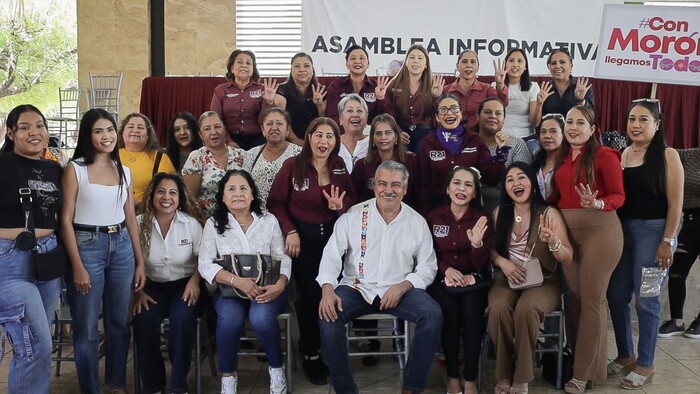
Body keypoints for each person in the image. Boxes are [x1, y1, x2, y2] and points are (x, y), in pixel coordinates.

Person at [317, 160, 443, 394]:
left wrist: (405, 285)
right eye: (382, 183)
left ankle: (412, 388)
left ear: (405, 189)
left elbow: (428, 267)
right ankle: (346, 390)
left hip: (400, 289)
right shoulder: (353, 215)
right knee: (328, 316)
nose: (388, 190)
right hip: (357, 287)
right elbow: (331, 255)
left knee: (432, 314)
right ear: (374, 187)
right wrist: (327, 289)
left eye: (396, 185)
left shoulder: (417, 222)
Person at [60, 108, 146, 394]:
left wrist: (139, 262)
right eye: (99, 131)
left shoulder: (125, 170)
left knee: (119, 322)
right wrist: (77, 266)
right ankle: (91, 388)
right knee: (86, 326)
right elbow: (65, 219)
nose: (106, 136)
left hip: (121, 245)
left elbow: (130, 218)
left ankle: (116, 384)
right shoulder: (76, 169)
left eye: (109, 130)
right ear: (88, 134)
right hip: (87, 246)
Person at [267, 117, 356, 385]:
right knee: (310, 297)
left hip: (332, 238)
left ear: (335, 142)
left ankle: (326, 348)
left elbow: (351, 199)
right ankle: (311, 354)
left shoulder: (339, 166)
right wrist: (290, 231)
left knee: (332, 295)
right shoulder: (292, 166)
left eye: (330, 136)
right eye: (319, 135)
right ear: (308, 138)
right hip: (302, 240)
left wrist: (340, 205)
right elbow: (275, 203)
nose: (324, 141)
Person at [607, 99, 683, 389]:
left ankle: (646, 362)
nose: (635, 125)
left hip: (654, 234)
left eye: (643, 119)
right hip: (622, 233)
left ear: (657, 124)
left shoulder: (667, 155)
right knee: (616, 296)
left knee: (647, 300)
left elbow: (676, 204)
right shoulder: (623, 153)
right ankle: (626, 354)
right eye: (631, 119)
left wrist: (667, 241)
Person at [551, 106, 625, 394]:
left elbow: (619, 195)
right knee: (575, 298)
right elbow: (556, 195)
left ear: (593, 128)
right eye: (569, 121)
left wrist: (598, 204)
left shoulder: (606, 155)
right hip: (568, 232)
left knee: (593, 300)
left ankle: (582, 372)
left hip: (601, 230)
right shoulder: (560, 156)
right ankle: (588, 364)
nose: (573, 127)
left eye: (580, 122)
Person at [198, 169, 291, 394]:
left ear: (252, 194)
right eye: (231, 189)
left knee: (260, 318)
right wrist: (238, 281)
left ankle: (277, 371)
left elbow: (282, 256)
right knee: (228, 320)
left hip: (269, 288)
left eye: (243, 188)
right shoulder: (214, 224)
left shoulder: (269, 221)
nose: (237, 193)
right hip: (230, 290)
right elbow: (204, 264)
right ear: (222, 196)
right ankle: (228, 378)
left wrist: (280, 284)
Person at [488, 162, 573, 394]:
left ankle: (522, 377)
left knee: (526, 309)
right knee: (497, 308)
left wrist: (553, 241)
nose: (516, 183)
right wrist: (502, 262)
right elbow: (491, 250)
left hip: (543, 281)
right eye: (510, 179)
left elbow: (567, 257)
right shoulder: (499, 213)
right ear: (505, 188)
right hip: (507, 278)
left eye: (521, 177)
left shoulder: (548, 213)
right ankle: (504, 374)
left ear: (532, 184)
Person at [0, 104, 63, 394]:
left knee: (37, 344)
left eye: (39, 125)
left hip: (47, 257)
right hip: (10, 259)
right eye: (25, 127)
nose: (34, 132)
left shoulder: (53, 168)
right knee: (35, 345)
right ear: (10, 133)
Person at [132, 173, 207, 394]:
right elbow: (129, 261)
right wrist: (138, 292)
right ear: (152, 195)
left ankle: (178, 384)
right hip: (151, 285)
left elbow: (204, 260)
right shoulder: (138, 224)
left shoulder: (191, 224)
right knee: (142, 320)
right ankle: (154, 385)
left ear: (180, 197)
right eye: (161, 191)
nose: (167, 197)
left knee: (182, 319)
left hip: (186, 284)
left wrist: (195, 281)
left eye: (173, 192)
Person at [426, 166, 493, 394]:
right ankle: (453, 374)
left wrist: (476, 246)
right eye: (457, 183)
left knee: (472, 314)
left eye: (468, 185)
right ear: (448, 188)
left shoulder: (482, 217)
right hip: (440, 279)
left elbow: (482, 265)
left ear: (475, 192)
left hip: (472, 280)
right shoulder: (434, 216)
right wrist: (446, 270)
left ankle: (471, 377)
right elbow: (426, 255)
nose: (461, 189)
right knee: (450, 314)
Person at [419, 94, 505, 214]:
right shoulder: (428, 143)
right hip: (437, 209)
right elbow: (424, 183)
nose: (449, 113)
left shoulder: (475, 140)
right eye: (443, 110)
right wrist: (426, 214)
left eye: (454, 108)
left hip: (470, 209)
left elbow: (491, 179)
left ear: (461, 113)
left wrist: (501, 153)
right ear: (437, 117)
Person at [210, 49, 285, 150]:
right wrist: (228, 141)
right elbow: (215, 119)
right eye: (240, 62)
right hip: (230, 138)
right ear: (232, 68)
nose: (244, 65)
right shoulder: (221, 90)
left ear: (253, 69)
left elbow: (265, 120)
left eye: (249, 63)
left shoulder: (262, 89)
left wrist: (269, 102)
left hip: (258, 138)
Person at [377, 44, 443, 154]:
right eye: (411, 57)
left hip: (426, 132)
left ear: (426, 64)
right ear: (406, 63)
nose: (415, 61)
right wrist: (397, 131)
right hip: (401, 131)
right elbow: (388, 112)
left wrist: (436, 98)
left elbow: (439, 116)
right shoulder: (394, 85)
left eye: (420, 58)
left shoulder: (433, 85)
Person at [182, 111, 244, 218]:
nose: (213, 132)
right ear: (200, 135)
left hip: (240, 220)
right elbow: (190, 200)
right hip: (207, 222)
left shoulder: (240, 154)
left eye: (217, 127)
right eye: (207, 129)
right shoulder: (196, 157)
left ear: (224, 130)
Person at [474, 98, 532, 212]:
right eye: (488, 112)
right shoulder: (468, 143)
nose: (493, 116)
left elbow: (525, 184)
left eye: (498, 113)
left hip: (509, 208)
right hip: (472, 207)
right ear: (478, 116)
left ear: (504, 119)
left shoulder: (516, 144)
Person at [352, 113, 419, 210]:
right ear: (373, 138)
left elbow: (418, 194)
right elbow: (355, 198)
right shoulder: (362, 165)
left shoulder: (411, 161)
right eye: (378, 133)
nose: (383, 137)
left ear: (396, 137)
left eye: (388, 133)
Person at [242, 108, 301, 208]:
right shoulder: (251, 154)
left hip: (288, 216)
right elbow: (243, 186)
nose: (274, 127)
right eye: (269, 124)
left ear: (288, 130)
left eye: (279, 123)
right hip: (257, 216)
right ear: (263, 130)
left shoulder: (299, 154)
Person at [118, 112, 177, 205]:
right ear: (122, 133)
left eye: (141, 127)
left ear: (148, 135)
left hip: (147, 211)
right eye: (130, 126)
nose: (135, 130)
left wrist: (141, 204)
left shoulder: (160, 158)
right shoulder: (111, 156)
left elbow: (171, 193)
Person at [443, 50, 509, 130]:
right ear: (457, 66)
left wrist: (500, 85)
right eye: (464, 61)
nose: (468, 65)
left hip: (478, 136)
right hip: (453, 134)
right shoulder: (446, 90)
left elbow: (503, 103)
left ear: (478, 67)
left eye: (473, 62)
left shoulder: (487, 89)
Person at [325, 45, 385, 125]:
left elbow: (385, 116)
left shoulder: (376, 86)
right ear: (347, 64)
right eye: (353, 58)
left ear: (368, 64)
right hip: (344, 134)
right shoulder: (337, 86)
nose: (357, 61)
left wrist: (380, 99)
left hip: (371, 134)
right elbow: (333, 115)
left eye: (361, 58)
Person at [277, 52, 326, 145]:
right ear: (291, 71)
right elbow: (280, 122)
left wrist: (320, 107)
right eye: (297, 66)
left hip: (317, 141)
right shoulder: (280, 91)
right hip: (288, 141)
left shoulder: (322, 91)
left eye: (306, 66)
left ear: (313, 71)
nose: (302, 69)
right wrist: (297, 142)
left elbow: (325, 123)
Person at [497, 49, 541, 138]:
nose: (515, 64)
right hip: (500, 136)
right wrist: (499, 85)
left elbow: (535, 123)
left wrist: (539, 104)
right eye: (511, 60)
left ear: (525, 67)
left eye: (520, 61)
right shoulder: (495, 85)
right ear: (505, 64)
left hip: (527, 137)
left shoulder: (533, 87)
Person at [541, 49, 594, 118]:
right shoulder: (544, 88)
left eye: (562, 62)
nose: (557, 66)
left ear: (571, 66)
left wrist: (580, 100)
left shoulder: (582, 86)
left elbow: (590, 115)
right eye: (553, 63)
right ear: (549, 67)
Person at [532, 113, 565, 200]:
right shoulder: (536, 162)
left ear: (563, 135)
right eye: (543, 131)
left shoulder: (569, 161)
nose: (547, 136)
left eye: (553, 131)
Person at [337, 93, 370, 173]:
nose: (355, 115)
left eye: (359, 111)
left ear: (366, 118)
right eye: (349, 110)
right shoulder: (333, 143)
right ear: (341, 119)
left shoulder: (373, 143)